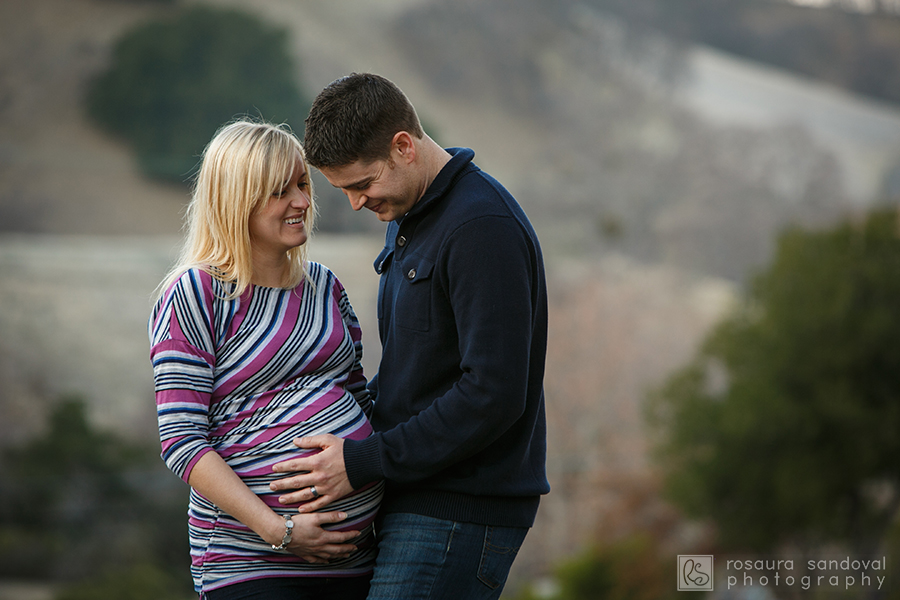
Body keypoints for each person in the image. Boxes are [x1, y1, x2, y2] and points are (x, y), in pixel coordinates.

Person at [269, 73, 550, 599]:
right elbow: (416, 373)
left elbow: (493, 392)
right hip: (414, 499)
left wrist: (361, 461)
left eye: (362, 184)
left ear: (403, 146)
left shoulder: (480, 227)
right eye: (343, 190)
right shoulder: (412, 216)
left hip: (458, 510)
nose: (355, 203)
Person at [148, 119, 384, 600]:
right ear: (239, 200)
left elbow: (359, 399)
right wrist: (281, 530)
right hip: (251, 563)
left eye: (302, 184)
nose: (302, 201)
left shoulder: (324, 286)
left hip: (355, 563)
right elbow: (182, 442)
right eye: (281, 191)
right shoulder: (197, 293)